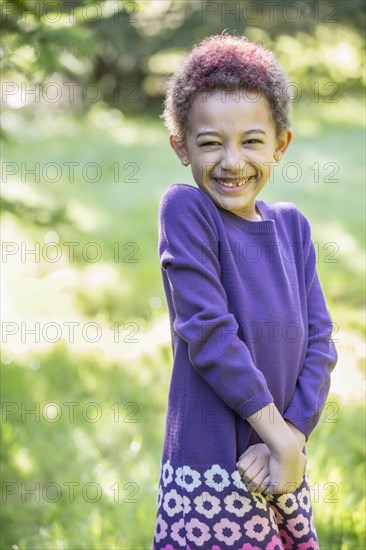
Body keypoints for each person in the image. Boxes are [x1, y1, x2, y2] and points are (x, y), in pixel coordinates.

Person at [152, 32, 337, 550]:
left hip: (279, 461)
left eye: (252, 140)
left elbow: (321, 341)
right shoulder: (186, 212)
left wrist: (292, 437)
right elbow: (209, 335)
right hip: (212, 464)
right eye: (210, 142)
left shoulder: (293, 227)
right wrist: (277, 434)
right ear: (181, 146)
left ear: (281, 144)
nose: (232, 161)